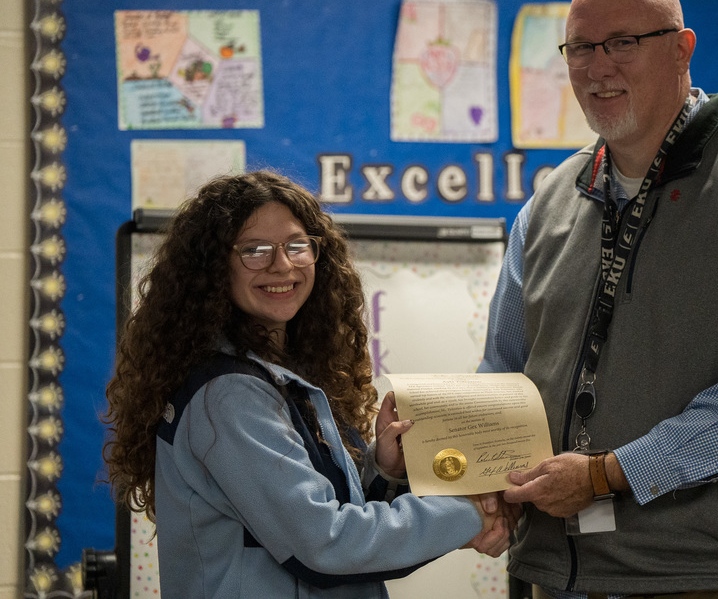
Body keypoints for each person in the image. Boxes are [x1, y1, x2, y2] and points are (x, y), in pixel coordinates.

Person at [479, 0, 718, 598]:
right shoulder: (548, 202)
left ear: (681, 48)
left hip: (708, 580)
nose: (598, 67)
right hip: (556, 574)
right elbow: (505, 372)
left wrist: (608, 474)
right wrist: (469, 462)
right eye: (580, 48)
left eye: (622, 42)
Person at [104, 170, 510, 598]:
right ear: (213, 267)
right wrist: (469, 511)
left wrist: (383, 470)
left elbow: (321, 509)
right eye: (254, 250)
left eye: (297, 246)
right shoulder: (228, 396)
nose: (282, 265)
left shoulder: (284, 372)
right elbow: (326, 544)